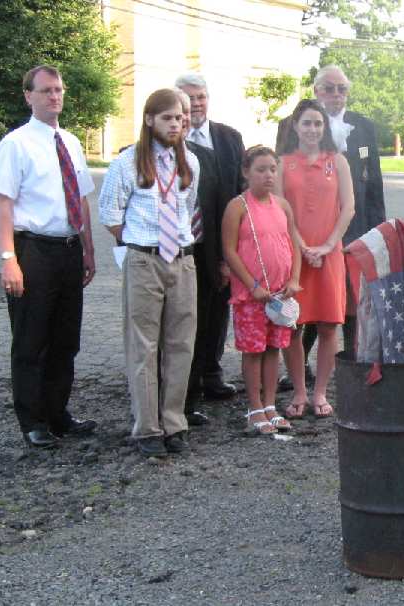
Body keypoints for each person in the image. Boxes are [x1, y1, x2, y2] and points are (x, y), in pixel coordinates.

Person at [0, 65, 98, 449]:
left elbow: (81, 197)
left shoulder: (70, 141)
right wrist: (8, 258)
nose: (55, 96)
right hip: (32, 250)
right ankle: (32, 420)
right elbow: (3, 203)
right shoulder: (15, 144)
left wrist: (88, 248)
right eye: (46, 90)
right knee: (31, 339)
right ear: (28, 96)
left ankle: (58, 413)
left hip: (69, 249)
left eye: (59, 90)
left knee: (65, 340)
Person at [98, 89, 200, 458]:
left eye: (180, 119)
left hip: (183, 261)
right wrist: (143, 244)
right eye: (168, 118)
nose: (175, 124)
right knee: (144, 344)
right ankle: (147, 428)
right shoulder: (127, 163)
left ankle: (174, 422)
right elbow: (110, 214)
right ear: (149, 120)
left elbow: (188, 207)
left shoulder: (190, 164)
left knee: (181, 343)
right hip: (145, 260)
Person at [276, 65, 385, 388]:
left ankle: (351, 363)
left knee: (349, 303)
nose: (336, 95)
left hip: (355, 225)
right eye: (329, 88)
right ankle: (297, 370)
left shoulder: (363, 126)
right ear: (316, 91)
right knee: (305, 302)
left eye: (341, 89)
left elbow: (373, 182)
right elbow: (283, 177)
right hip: (306, 232)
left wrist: (378, 231)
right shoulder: (290, 125)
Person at [275, 99, 355, 419]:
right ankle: (299, 391)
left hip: (329, 254)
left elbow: (348, 207)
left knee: (327, 326)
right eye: (306, 123)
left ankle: (320, 392)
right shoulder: (282, 163)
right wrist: (302, 246)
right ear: (295, 126)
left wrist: (327, 245)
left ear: (325, 128)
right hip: (293, 254)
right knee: (291, 324)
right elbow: (279, 208)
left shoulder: (338, 162)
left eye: (318, 124)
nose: (312, 129)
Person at [222, 146, 302, 434]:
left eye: (272, 169)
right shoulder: (238, 207)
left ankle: (270, 405)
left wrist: (294, 279)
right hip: (251, 296)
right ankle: (254, 407)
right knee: (253, 350)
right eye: (260, 169)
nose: (268, 175)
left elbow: (294, 244)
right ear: (246, 172)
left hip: (280, 295)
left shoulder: (282, 205)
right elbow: (230, 251)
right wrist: (252, 285)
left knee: (273, 349)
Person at [175, 73, 245, 401]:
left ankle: (211, 372)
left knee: (218, 309)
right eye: (189, 98)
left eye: (201, 96)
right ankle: (186, 380)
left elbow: (241, 191)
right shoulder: (170, 138)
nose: (196, 103)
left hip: (225, 242)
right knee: (190, 312)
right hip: (188, 244)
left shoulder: (230, 137)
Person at [174, 87, 219, 426]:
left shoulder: (201, 158)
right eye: (176, 113)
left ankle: (186, 403)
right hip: (156, 258)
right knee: (164, 336)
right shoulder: (137, 156)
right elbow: (114, 214)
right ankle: (158, 406)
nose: (182, 118)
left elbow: (211, 206)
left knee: (193, 329)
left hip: (197, 254)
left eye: (184, 114)